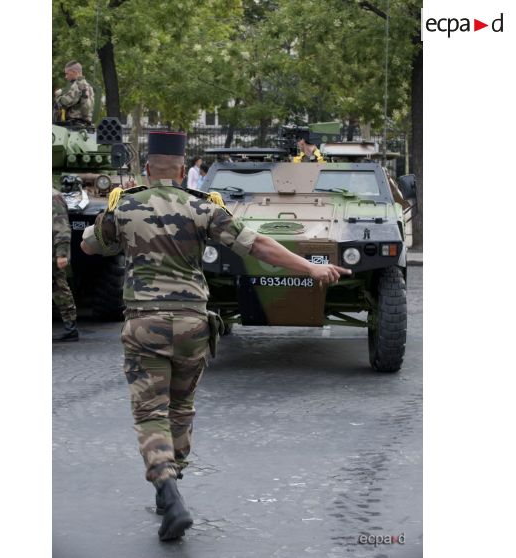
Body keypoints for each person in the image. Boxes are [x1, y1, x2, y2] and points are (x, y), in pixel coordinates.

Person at [80, 131, 351, 541]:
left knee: (150, 412)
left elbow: (88, 247)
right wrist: (310, 268)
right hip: (192, 324)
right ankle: (174, 481)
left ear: (148, 168)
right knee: (182, 406)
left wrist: (111, 216)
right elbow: (256, 245)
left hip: (144, 324)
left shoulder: (127, 204)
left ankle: (167, 490)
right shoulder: (203, 207)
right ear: (183, 163)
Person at [52, 188, 78, 342]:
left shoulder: (53, 196)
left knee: (58, 287)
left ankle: (70, 327)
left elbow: (61, 226)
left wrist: (61, 253)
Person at [54, 61, 94, 127]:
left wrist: (58, 96)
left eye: (67, 74)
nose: (66, 77)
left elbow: (66, 102)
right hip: (85, 122)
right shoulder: (88, 86)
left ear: (74, 72)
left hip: (74, 123)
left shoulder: (78, 84)